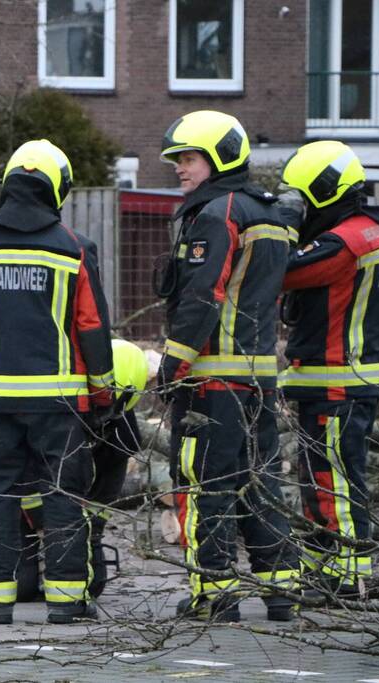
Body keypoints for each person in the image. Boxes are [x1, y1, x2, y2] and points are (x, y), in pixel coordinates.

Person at [0, 139, 115, 625]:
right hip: (60, 402)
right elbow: (92, 326)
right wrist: (101, 392)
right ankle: (66, 604)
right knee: (63, 496)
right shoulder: (73, 247)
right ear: (57, 189)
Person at [155, 110, 299, 622]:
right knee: (260, 483)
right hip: (259, 377)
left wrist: (171, 366)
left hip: (213, 379)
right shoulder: (270, 214)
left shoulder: (217, 215)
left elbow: (201, 297)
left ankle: (213, 593)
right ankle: (282, 589)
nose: (179, 168)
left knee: (204, 486)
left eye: (189, 158)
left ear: (218, 158)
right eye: (178, 160)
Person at [278, 141, 379, 600]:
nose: (302, 209)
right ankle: (324, 567)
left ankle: (347, 574)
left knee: (335, 480)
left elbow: (282, 270)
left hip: (336, 381)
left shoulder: (342, 242)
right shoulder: (369, 231)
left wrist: (281, 227)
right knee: (321, 478)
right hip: (339, 380)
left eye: (304, 200)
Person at [0, 339, 148, 603]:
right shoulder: (55, 410)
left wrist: (90, 533)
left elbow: (107, 486)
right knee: (21, 589)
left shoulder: (123, 432)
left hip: (66, 510)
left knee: (91, 585)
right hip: (21, 503)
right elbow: (11, 475)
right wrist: (48, 524)